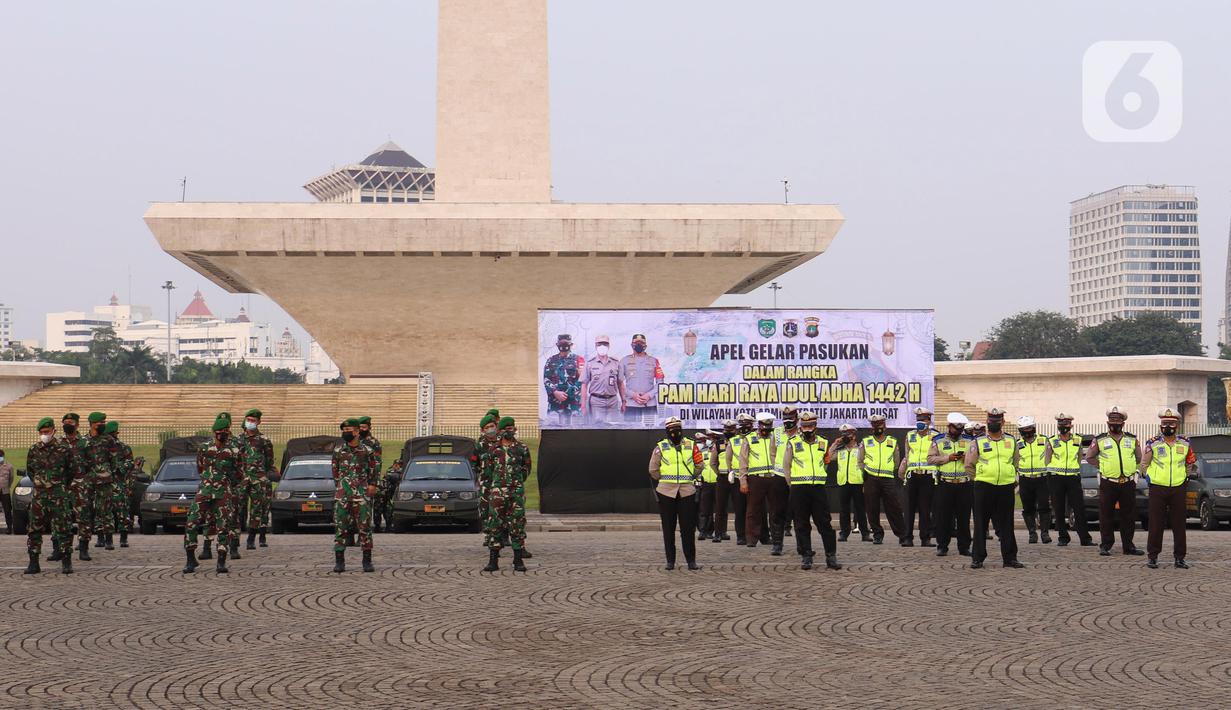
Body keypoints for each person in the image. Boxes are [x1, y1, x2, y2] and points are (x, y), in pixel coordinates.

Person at [183, 413, 241, 574]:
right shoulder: (204, 448)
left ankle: (221, 561)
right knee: (192, 522)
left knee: (223, 526)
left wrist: (227, 484)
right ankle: (190, 559)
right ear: (214, 432)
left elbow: (238, 473)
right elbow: (200, 468)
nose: (223, 433)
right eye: (220, 430)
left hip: (223, 492)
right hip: (205, 490)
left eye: (226, 430)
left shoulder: (234, 450)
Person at [965, 408, 1022, 569]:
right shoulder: (978, 441)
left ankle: (1010, 558)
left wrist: (1011, 479)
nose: (994, 424)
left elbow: (1015, 462)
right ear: (987, 422)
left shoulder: (1011, 441)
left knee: (1006, 524)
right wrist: (979, 479)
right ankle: (977, 558)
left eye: (997, 422)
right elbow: (969, 465)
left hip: (1005, 487)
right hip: (984, 487)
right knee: (980, 523)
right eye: (991, 422)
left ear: (1003, 422)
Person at [783, 411, 841, 570]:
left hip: (818, 488)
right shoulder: (792, 442)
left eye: (810, 426)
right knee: (801, 523)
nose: (807, 428)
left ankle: (831, 556)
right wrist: (792, 485)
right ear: (800, 427)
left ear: (815, 426)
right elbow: (786, 466)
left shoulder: (823, 443)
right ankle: (806, 556)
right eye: (804, 426)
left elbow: (826, 462)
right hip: (799, 489)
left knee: (825, 523)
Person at [1139, 408, 1196, 569]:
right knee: (1156, 524)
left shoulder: (1185, 443)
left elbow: (1189, 462)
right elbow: (1144, 464)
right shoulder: (1153, 443)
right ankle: (1153, 556)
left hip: (1178, 487)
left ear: (1177, 425)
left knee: (1179, 524)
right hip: (1158, 487)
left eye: (1171, 424)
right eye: (1164, 424)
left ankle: (1179, 558)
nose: (1167, 427)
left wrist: (1185, 478)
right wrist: (1150, 479)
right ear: (1160, 426)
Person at [1085, 406, 1144, 557]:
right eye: (1112, 420)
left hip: (1128, 482)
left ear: (1123, 423)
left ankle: (1128, 546)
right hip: (1108, 482)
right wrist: (1103, 466)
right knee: (1106, 515)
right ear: (1107, 422)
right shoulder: (1100, 439)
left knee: (1128, 515)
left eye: (1118, 420)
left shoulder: (1132, 439)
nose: (1114, 423)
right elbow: (1089, 457)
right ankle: (1105, 545)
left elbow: (1138, 457)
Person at [648, 417, 703, 570]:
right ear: (667, 431)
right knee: (668, 528)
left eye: (677, 429)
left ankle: (691, 561)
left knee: (688, 528)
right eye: (671, 430)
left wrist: (690, 477)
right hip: (666, 492)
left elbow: (700, 464)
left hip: (686, 491)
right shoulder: (661, 447)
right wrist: (665, 481)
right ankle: (670, 561)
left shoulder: (691, 445)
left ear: (681, 430)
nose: (675, 433)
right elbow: (653, 469)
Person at [23, 418, 74, 575]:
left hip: (58, 495)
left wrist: (59, 485)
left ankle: (66, 561)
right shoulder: (34, 450)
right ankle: (33, 562)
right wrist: (41, 484)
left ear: (53, 431)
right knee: (34, 529)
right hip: (40, 496)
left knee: (64, 528)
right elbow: (31, 471)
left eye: (47, 432)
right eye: (42, 433)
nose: (44, 435)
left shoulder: (64, 449)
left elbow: (70, 472)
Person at [480, 417, 532, 572]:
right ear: (501, 431)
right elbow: (487, 472)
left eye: (512, 428)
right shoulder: (493, 450)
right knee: (495, 525)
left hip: (515, 491)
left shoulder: (521, 448)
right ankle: (493, 560)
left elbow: (526, 469)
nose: (511, 430)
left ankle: (518, 560)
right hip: (497, 492)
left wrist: (516, 483)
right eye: (507, 428)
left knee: (517, 524)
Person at [331, 418, 377, 573]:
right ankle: (339, 561)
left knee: (364, 527)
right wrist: (341, 486)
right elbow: (335, 472)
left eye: (349, 430)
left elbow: (373, 470)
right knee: (340, 526)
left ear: (357, 431)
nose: (346, 433)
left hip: (361, 493)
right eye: (344, 430)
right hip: (343, 494)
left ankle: (367, 560)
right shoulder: (338, 451)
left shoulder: (367, 451)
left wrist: (372, 485)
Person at [1045, 413, 1094, 547]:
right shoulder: (1051, 440)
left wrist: (1075, 469)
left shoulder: (1077, 439)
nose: (1063, 427)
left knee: (1079, 508)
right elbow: (1047, 459)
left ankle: (1085, 538)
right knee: (1059, 508)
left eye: (1065, 424)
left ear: (1071, 425)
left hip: (1073, 477)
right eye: (1060, 424)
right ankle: (1063, 537)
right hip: (1056, 477)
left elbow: (1079, 457)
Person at [927, 413, 972, 557]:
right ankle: (942, 546)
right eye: (955, 429)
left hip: (964, 484)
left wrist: (966, 458)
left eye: (961, 429)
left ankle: (964, 547)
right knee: (943, 517)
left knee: (964, 517)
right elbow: (930, 459)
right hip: (945, 483)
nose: (958, 432)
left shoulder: (970, 440)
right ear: (949, 427)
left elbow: (977, 458)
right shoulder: (938, 440)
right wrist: (948, 458)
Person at [859, 414, 906, 545]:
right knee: (872, 508)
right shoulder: (866, 442)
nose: (877, 428)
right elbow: (860, 460)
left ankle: (902, 535)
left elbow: (896, 461)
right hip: (871, 478)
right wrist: (866, 472)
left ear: (884, 426)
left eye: (879, 425)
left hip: (888, 479)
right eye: (874, 425)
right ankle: (877, 534)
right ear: (871, 427)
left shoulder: (892, 441)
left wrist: (889, 469)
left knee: (894, 507)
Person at [899, 406, 938, 547]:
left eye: (923, 419)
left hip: (928, 476)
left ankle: (925, 538)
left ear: (929, 420)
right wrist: (903, 473)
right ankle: (907, 537)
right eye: (918, 419)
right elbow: (907, 455)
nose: (920, 421)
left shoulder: (936, 436)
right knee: (908, 509)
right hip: (912, 475)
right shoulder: (910, 435)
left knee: (925, 509)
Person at [738, 412, 777, 549]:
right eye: (764, 426)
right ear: (759, 425)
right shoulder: (749, 439)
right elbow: (742, 462)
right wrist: (743, 481)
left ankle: (774, 538)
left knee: (775, 510)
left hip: (773, 477)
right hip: (756, 478)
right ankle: (751, 539)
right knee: (753, 510)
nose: (766, 429)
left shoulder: (776, 438)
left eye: (769, 426)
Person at [239, 409, 275, 550]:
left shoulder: (264, 441)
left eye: (253, 420)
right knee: (237, 508)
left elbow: (269, 461)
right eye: (248, 420)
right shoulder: (238, 440)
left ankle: (253, 538)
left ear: (259, 422)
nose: (250, 422)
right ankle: (234, 538)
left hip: (258, 479)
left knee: (257, 509)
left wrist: (261, 474)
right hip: (242, 478)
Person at [827, 423, 868, 542]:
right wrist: (835, 443)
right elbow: (828, 457)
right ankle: (844, 533)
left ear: (854, 436)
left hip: (857, 482)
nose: (845, 436)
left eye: (847, 434)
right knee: (843, 509)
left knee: (860, 509)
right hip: (843, 482)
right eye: (843, 434)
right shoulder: (840, 450)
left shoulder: (860, 448)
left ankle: (865, 533)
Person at [1015, 416, 1052, 545]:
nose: (1026, 431)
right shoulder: (1017, 444)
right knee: (1028, 508)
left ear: (1034, 428)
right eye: (1023, 429)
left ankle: (1045, 533)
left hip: (1042, 478)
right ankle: (1032, 533)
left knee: (1044, 506)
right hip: (1025, 479)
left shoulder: (1044, 440)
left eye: (1028, 428)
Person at [59, 412, 91, 562]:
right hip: (62, 486)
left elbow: (93, 463)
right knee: (61, 517)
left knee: (83, 517)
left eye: (71, 422)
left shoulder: (85, 443)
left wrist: (86, 481)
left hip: (80, 484)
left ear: (77, 424)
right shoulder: (58, 443)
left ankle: (83, 548)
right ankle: (58, 548)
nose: (68, 424)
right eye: (65, 422)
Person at [768, 406, 800, 554]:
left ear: (797, 419)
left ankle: (802, 545)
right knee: (777, 511)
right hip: (780, 476)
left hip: (798, 477)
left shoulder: (802, 433)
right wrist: (778, 467)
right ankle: (777, 544)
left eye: (791, 418)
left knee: (799, 511)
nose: (788, 421)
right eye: (785, 418)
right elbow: (772, 452)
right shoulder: (777, 432)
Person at [711, 418, 747, 544]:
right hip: (723, 478)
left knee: (740, 508)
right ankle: (718, 533)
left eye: (731, 429)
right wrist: (721, 473)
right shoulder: (718, 443)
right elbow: (713, 462)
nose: (728, 431)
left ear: (735, 430)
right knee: (720, 507)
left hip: (737, 477)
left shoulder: (742, 441)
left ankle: (741, 536)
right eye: (726, 429)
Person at [84, 412, 116, 551]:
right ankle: (88, 538)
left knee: (105, 509)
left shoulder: (109, 440)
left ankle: (108, 539)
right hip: (88, 480)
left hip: (105, 479)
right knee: (87, 509)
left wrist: (109, 473)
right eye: (100, 422)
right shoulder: (83, 440)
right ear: (92, 423)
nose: (103, 424)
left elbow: (114, 460)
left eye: (104, 422)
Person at [619, 333, 664, 425]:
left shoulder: (654, 361)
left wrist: (649, 395)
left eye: (641, 343)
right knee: (630, 433)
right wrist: (633, 395)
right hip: (631, 404)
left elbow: (660, 383)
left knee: (651, 432)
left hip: (649, 404)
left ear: (645, 345)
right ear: (632, 345)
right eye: (636, 342)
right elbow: (619, 383)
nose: (639, 345)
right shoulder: (624, 361)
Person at [104, 421, 136, 548]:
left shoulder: (123, 447)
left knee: (122, 512)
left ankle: (123, 538)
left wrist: (119, 467)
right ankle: (107, 540)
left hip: (119, 483)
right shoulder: (101, 447)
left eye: (112, 434)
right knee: (106, 512)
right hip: (104, 483)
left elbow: (130, 463)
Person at [543, 334, 583, 427]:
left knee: (575, 432)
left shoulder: (579, 360)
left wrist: (569, 392)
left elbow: (582, 379)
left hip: (573, 405)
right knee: (554, 431)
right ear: (557, 344)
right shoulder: (551, 360)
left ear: (571, 344)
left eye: (566, 343)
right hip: (555, 404)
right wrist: (555, 392)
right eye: (561, 344)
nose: (564, 346)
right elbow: (546, 379)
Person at [582, 334, 623, 426]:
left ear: (608, 346)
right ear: (595, 346)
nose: (602, 346)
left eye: (605, 344)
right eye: (599, 344)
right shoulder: (589, 363)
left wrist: (624, 401)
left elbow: (620, 383)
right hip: (596, 401)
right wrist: (583, 405)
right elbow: (584, 385)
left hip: (613, 401)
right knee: (598, 429)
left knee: (614, 429)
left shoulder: (616, 363)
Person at [356, 415, 382, 545]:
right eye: (360, 427)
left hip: (366, 480)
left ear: (369, 427)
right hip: (352, 481)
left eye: (364, 427)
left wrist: (373, 483)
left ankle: (363, 538)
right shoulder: (352, 441)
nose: (362, 429)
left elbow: (377, 464)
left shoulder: (373, 443)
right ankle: (349, 535)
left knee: (364, 510)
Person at [694, 432, 718, 541]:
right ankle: (702, 532)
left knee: (715, 510)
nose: (703, 443)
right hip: (705, 484)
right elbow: (698, 468)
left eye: (704, 441)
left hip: (717, 482)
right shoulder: (701, 453)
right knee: (704, 509)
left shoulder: (716, 452)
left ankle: (711, 532)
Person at [0, 448, 12, 534]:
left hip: (5, 491)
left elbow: (11, 479)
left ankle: (9, 528)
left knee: (7, 510)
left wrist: (7, 486)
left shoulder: (9, 466)